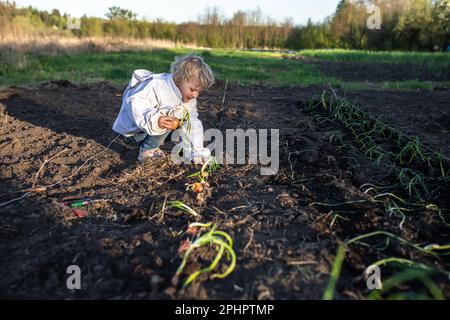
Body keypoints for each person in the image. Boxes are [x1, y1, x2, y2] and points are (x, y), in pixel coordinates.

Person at [112, 54, 214, 164]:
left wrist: (197, 151)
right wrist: (157, 120)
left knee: (185, 120)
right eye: (193, 89)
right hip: (134, 133)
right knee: (171, 117)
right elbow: (135, 104)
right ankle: (148, 150)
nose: (195, 95)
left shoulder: (187, 98)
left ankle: (169, 143)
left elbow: (192, 124)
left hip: (150, 130)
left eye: (199, 92)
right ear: (179, 78)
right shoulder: (158, 86)